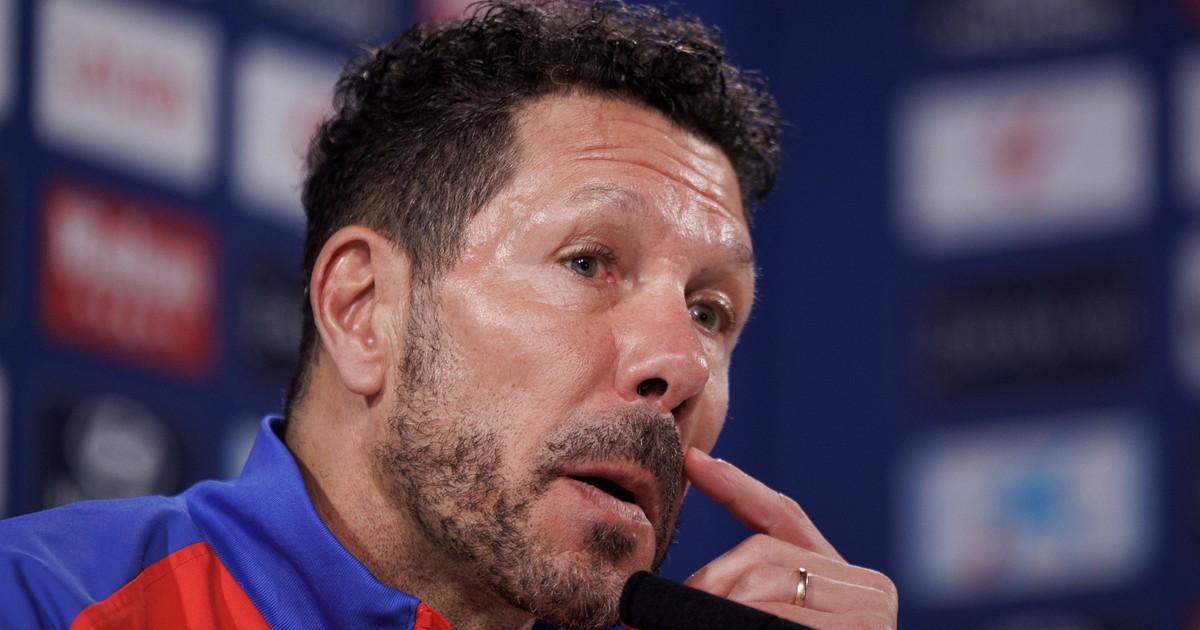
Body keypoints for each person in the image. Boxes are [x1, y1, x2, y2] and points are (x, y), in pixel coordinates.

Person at [0, 1, 898, 629]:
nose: (683, 364)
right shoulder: (41, 603)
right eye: (588, 263)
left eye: (710, 311)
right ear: (364, 310)